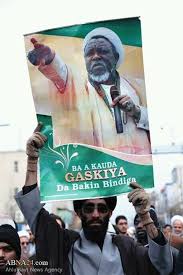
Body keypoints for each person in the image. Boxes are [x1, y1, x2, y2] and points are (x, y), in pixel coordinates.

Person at [14, 124, 174, 275]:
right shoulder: (64, 244)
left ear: (110, 212)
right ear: (78, 212)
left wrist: (145, 217)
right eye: (89, 208)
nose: (96, 214)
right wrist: (32, 162)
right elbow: (33, 211)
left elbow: (163, 267)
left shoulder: (126, 246)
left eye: (102, 209)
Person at [27, 27, 150, 155]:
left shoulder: (136, 86)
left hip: (139, 168)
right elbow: (62, 74)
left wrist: (137, 112)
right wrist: (50, 58)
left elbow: (158, 123)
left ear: (115, 56)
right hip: (101, 169)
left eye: (102, 51)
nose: (95, 57)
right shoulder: (79, 89)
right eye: (90, 53)